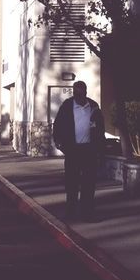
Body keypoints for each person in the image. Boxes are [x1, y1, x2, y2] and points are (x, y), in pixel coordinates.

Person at [52, 80, 105, 220]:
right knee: (71, 183)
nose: (79, 95)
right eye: (76, 93)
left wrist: (99, 148)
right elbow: (57, 126)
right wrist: (60, 144)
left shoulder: (93, 107)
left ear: (86, 92)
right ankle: (71, 212)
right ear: (73, 93)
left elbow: (100, 129)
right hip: (73, 151)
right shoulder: (66, 107)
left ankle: (87, 213)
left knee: (89, 183)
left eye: (82, 92)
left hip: (89, 151)